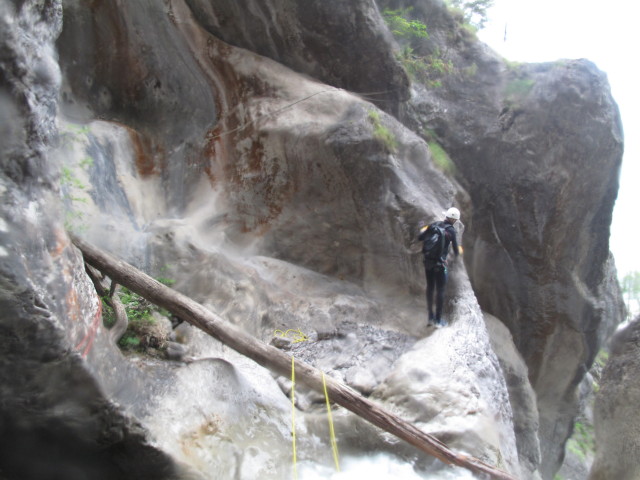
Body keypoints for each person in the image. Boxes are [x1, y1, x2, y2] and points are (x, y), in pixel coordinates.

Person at [418, 207, 460, 327]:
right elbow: (456, 251)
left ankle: (430, 317)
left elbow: (420, 238)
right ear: (455, 220)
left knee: (430, 288)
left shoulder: (434, 225)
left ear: (446, 216)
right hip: (440, 265)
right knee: (440, 290)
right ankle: (438, 320)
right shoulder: (451, 231)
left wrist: (423, 229)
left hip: (428, 262)